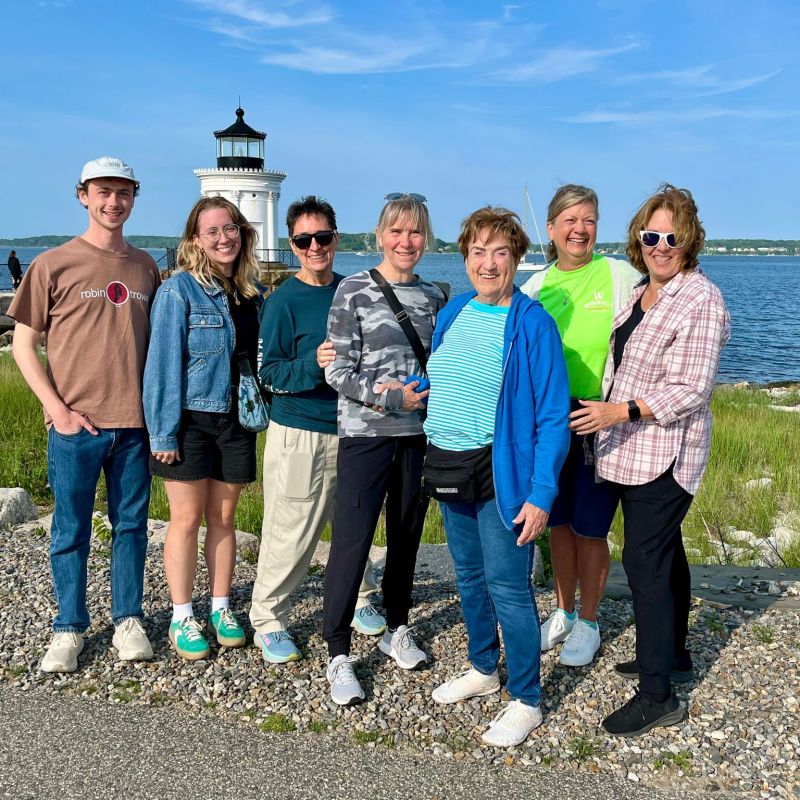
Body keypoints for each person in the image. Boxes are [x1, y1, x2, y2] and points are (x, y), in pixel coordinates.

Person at [569, 184, 730, 737]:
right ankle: (675, 653)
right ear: (640, 240)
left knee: (644, 564)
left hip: (667, 453)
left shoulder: (700, 298)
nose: (661, 245)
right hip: (628, 450)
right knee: (668, 556)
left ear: (690, 241)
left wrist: (621, 411)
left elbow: (692, 388)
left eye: (673, 237)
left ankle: (658, 695)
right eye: (651, 236)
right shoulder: (641, 290)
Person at [425, 207, 569, 747]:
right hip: (448, 462)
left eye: (500, 252)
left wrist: (540, 495)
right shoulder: (455, 310)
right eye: (478, 252)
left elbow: (553, 415)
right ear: (464, 258)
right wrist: (419, 386)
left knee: (509, 587)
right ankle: (484, 669)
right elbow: (447, 372)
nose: (489, 263)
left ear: (516, 258)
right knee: (468, 576)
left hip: (499, 471)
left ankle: (527, 698)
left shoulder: (532, 323)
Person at [9, 156, 159, 672]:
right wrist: (57, 409)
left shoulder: (145, 267)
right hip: (75, 425)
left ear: (134, 198)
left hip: (135, 425)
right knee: (70, 529)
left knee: (131, 526)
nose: (113, 202)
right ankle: (68, 628)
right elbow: (25, 345)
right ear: (82, 196)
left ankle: (127, 620)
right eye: (103, 192)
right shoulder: (52, 264)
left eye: (123, 192)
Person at [320, 194, 446, 705]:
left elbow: (445, 365)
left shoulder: (436, 296)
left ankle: (398, 625)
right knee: (351, 541)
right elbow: (336, 370)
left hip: (418, 437)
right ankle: (338, 652)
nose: (406, 241)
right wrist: (388, 397)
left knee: (406, 538)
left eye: (415, 232)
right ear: (378, 236)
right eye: (396, 231)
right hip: (365, 436)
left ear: (426, 238)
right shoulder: (353, 291)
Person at [249, 196, 386, 664]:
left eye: (322, 237)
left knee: (354, 523)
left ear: (336, 239)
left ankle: (360, 598)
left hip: (355, 429)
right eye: (304, 240)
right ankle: (268, 619)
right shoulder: (282, 302)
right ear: (292, 244)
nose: (314, 247)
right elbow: (268, 374)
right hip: (301, 432)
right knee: (291, 530)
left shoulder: (352, 290)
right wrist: (314, 363)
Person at [521, 185, 641, 667]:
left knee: (592, 528)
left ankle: (589, 622)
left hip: (600, 415)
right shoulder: (535, 287)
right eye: (569, 220)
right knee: (559, 524)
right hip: (548, 419)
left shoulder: (618, 274)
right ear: (550, 229)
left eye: (589, 219)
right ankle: (565, 612)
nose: (579, 228)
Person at [143, 196, 262, 661]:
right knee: (186, 520)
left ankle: (219, 607)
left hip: (236, 422)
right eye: (211, 231)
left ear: (241, 232)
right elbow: (162, 366)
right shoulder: (179, 291)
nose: (222, 237)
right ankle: (181, 615)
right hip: (191, 420)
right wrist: (163, 434)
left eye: (229, 228)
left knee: (225, 519)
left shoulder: (252, 293)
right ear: (195, 239)